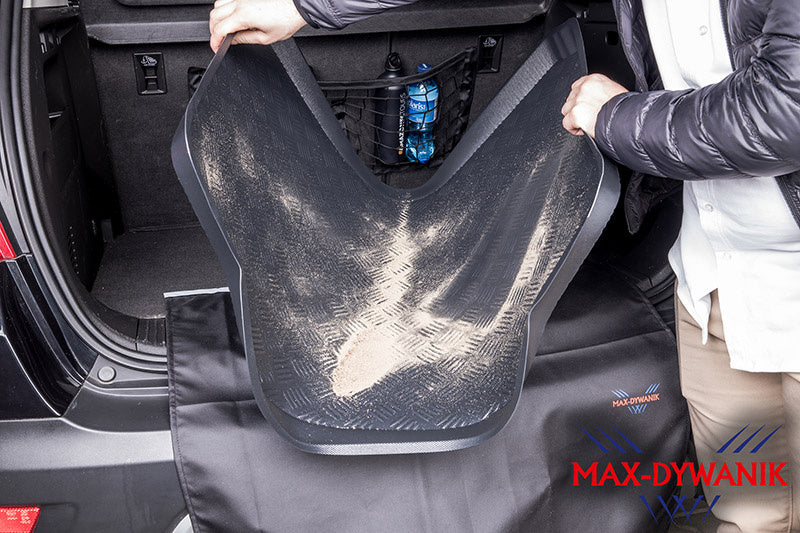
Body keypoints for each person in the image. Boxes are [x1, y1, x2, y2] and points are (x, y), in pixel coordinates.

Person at [210, 0, 800, 529]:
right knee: (751, 507)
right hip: (715, 280)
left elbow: (786, 113)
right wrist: (308, 5)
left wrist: (614, 117)